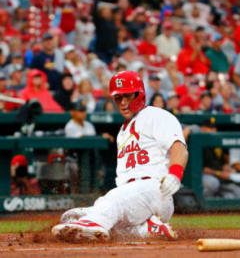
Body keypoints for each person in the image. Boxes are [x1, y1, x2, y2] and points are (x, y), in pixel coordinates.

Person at [52, 71, 188, 242]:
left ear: (139, 94)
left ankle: (92, 221)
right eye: (118, 98)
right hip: (134, 197)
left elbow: (179, 147)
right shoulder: (123, 132)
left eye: (127, 96)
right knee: (71, 218)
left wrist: (175, 174)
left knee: (109, 202)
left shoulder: (156, 115)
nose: (123, 103)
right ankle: (148, 229)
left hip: (154, 189)